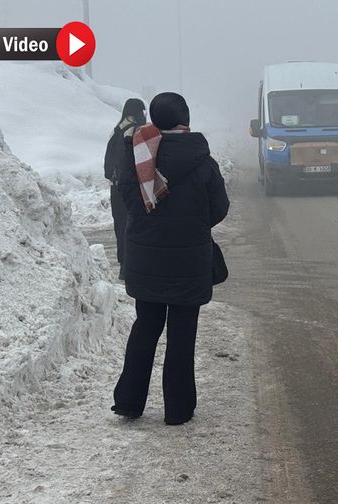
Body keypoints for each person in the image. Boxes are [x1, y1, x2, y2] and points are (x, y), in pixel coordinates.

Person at [112, 92, 230, 425]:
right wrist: (190, 226)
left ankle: (128, 402)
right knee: (182, 332)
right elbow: (219, 207)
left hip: (145, 259)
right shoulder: (202, 160)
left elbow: (127, 199)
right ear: (185, 120)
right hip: (188, 261)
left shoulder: (136, 156)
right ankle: (178, 410)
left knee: (145, 326)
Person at [103, 98, 146, 271]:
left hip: (116, 186)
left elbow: (108, 161)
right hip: (130, 185)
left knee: (120, 223)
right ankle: (132, 262)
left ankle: (123, 261)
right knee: (133, 222)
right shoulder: (135, 131)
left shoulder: (116, 129)